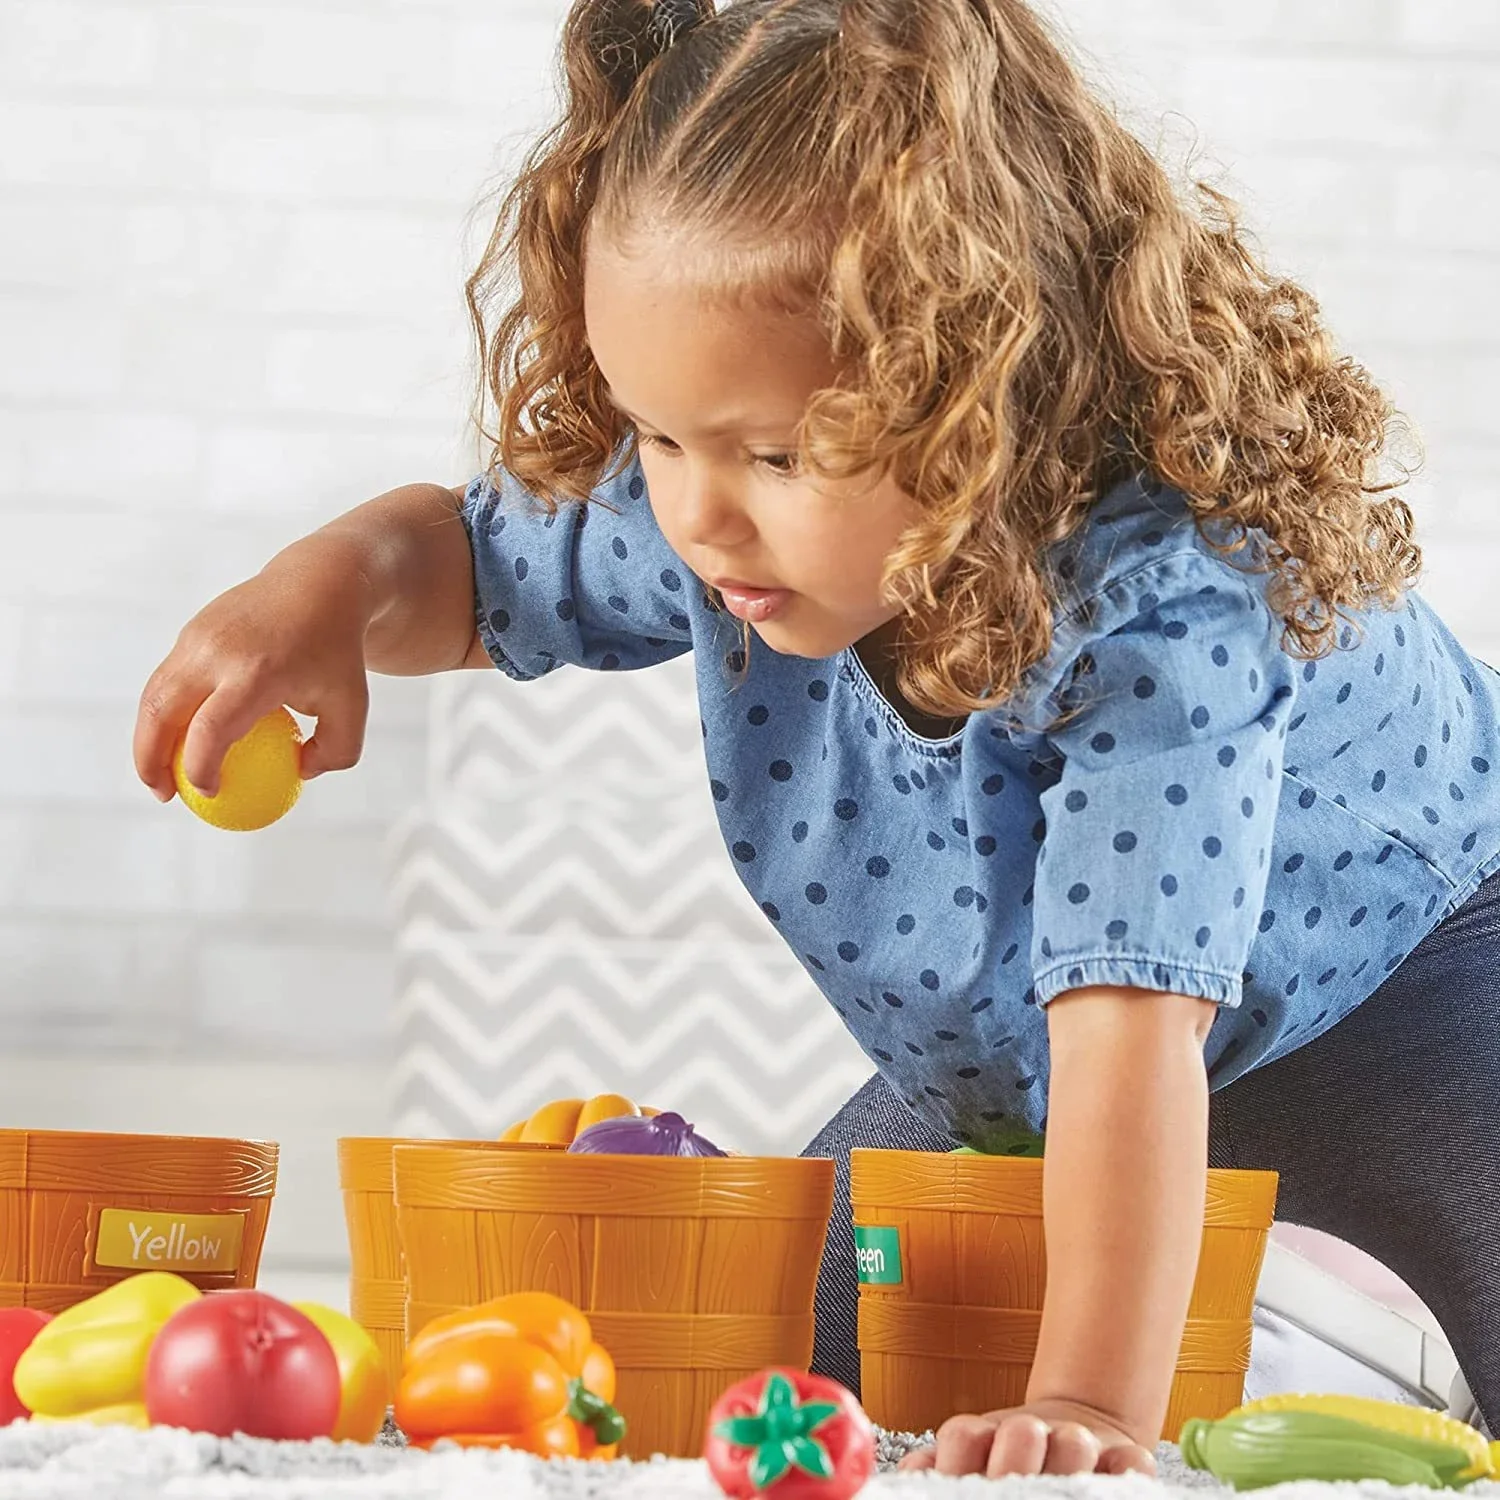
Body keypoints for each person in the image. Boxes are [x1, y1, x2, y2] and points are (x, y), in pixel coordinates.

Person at [133, 0, 1500, 1478]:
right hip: (1019, 1062)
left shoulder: (1163, 612)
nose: (695, 509)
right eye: (658, 434)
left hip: (1408, 984)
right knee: (796, 1391)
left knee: (1256, 1370)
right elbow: (477, 566)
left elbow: (1130, 1032)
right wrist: (322, 593)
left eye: (775, 454)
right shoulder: (737, 513)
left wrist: (1091, 1403)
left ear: (976, 396)